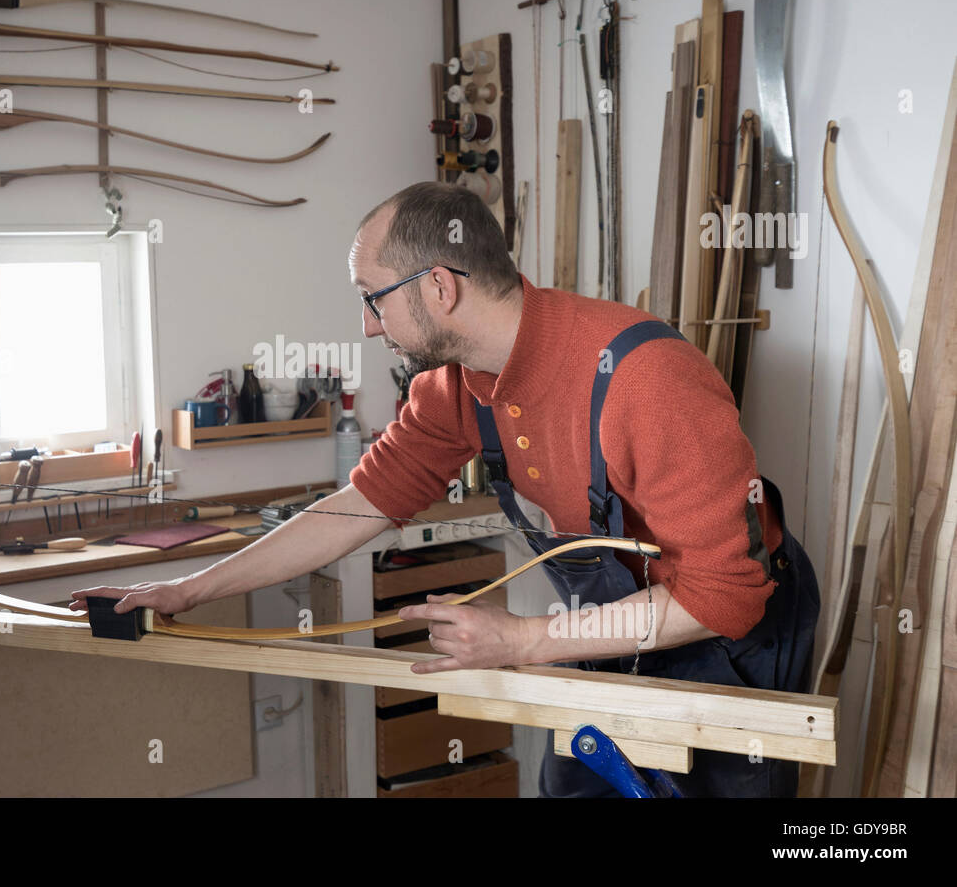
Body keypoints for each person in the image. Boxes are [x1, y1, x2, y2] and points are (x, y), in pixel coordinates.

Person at [72, 180, 819, 797]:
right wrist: (190, 589)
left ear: (437, 286)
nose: (367, 327)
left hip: (725, 637)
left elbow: (723, 594)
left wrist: (526, 640)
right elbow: (354, 509)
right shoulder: (452, 390)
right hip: (611, 628)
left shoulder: (644, 379)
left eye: (373, 298)